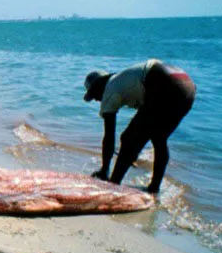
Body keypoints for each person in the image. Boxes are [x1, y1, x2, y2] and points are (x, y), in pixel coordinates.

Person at [83, 58, 195, 194]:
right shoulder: (125, 79)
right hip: (187, 88)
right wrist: (132, 154)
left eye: (93, 95)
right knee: (158, 137)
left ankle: (113, 186)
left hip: (164, 83)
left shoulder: (110, 89)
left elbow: (109, 135)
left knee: (128, 139)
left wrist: (104, 169)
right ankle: (154, 188)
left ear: (98, 86)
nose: (96, 99)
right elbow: (145, 123)